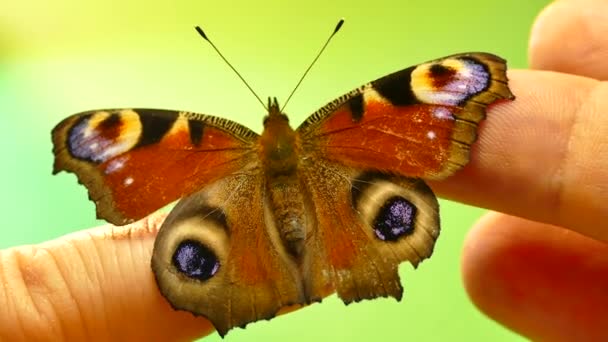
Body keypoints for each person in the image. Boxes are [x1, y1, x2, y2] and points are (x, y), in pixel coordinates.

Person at [1, 0, 606, 340]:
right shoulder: (345, 123)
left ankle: (296, 268)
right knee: (378, 205)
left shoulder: (211, 143)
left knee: (206, 239)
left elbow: (456, 81)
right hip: (340, 188)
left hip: (286, 199)